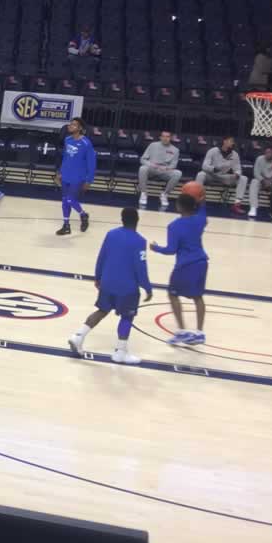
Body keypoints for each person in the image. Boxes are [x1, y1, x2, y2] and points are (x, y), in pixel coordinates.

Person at [68, 207, 152, 365]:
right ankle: (120, 353)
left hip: (107, 282)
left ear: (122, 219)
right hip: (127, 287)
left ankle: (78, 336)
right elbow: (141, 267)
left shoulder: (111, 234)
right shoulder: (139, 241)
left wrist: (98, 277)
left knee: (102, 310)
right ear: (137, 221)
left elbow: (101, 256)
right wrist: (147, 287)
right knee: (127, 316)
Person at [152, 192, 209, 346]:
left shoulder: (174, 226)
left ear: (179, 207)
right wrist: (200, 199)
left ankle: (182, 331)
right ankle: (200, 333)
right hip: (202, 262)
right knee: (198, 297)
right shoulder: (200, 219)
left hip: (186, 265)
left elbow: (171, 250)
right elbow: (203, 208)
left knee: (172, 294)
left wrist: (156, 248)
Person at [56, 117, 96, 236]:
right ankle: (66, 225)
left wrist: (89, 180)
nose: (70, 126)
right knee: (64, 201)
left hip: (78, 176)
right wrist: (60, 172)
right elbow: (65, 158)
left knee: (70, 199)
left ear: (80, 128)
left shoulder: (86, 143)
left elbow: (92, 163)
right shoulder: (67, 140)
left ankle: (83, 214)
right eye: (70, 124)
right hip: (66, 174)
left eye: (73, 125)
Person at [136, 129, 184, 208]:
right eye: (163, 136)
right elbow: (142, 159)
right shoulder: (153, 145)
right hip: (152, 168)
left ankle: (164, 195)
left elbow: (174, 165)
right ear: (160, 137)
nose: (165, 138)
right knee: (143, 168)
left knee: (178, 173)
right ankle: (143, 193)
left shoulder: (175, 150)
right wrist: (151, 164)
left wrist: (166, 168)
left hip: (165, 171)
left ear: (171, 138)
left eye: (167, 136)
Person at [200, 136, 247, 206]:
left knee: (243, 178)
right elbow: (204, 166)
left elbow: (238, 169)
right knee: (201, 174)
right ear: (225, 141)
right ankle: (196, 200)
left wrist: (237, 174)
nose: (233, 143)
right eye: (231, 141)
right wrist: (214, 169)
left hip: (225, 177)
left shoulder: (235, 154)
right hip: (212, 175)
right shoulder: (213, 151)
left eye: (233, 142)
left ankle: (237, 204)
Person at [248, 145, 272, 221]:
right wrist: (263, 180)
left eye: (269, 152)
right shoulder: (259, 159)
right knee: (254, 181)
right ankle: (253, 208)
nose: (267, 154)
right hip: (262, 181)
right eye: (266, 152)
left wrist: (271, 181)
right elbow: (256, 173)